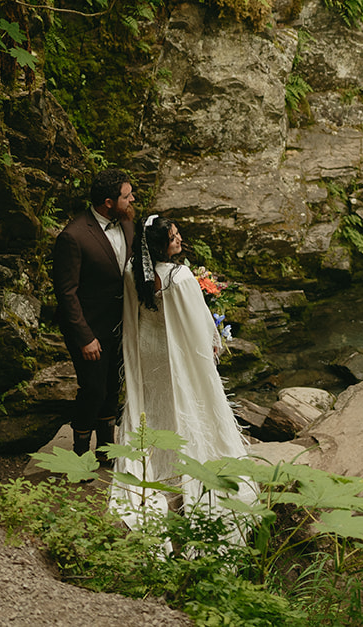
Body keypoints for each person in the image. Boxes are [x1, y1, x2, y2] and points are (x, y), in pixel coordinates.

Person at [109, 215, 254, 535]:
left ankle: (159, 469)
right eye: (173, 237)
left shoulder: (133, 272)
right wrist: (213, 344)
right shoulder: (181, 275)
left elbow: (131, 316)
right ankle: (191, 469)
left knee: (156, 406)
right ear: (161, 246)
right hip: (176, 353)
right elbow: (198, 321)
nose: (179, 239)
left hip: (148, 349)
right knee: (188, 401)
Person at [51, 168, 136, 458]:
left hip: (121, 325)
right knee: (94, 390)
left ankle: (105, 451)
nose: (132, 199)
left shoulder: (126, 225)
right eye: (127, 196)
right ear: (108, 202)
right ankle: (79, 455)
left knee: (113, 390)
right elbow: (66, 294)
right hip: (88, 328)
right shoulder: (73, 236)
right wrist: (85, 337)